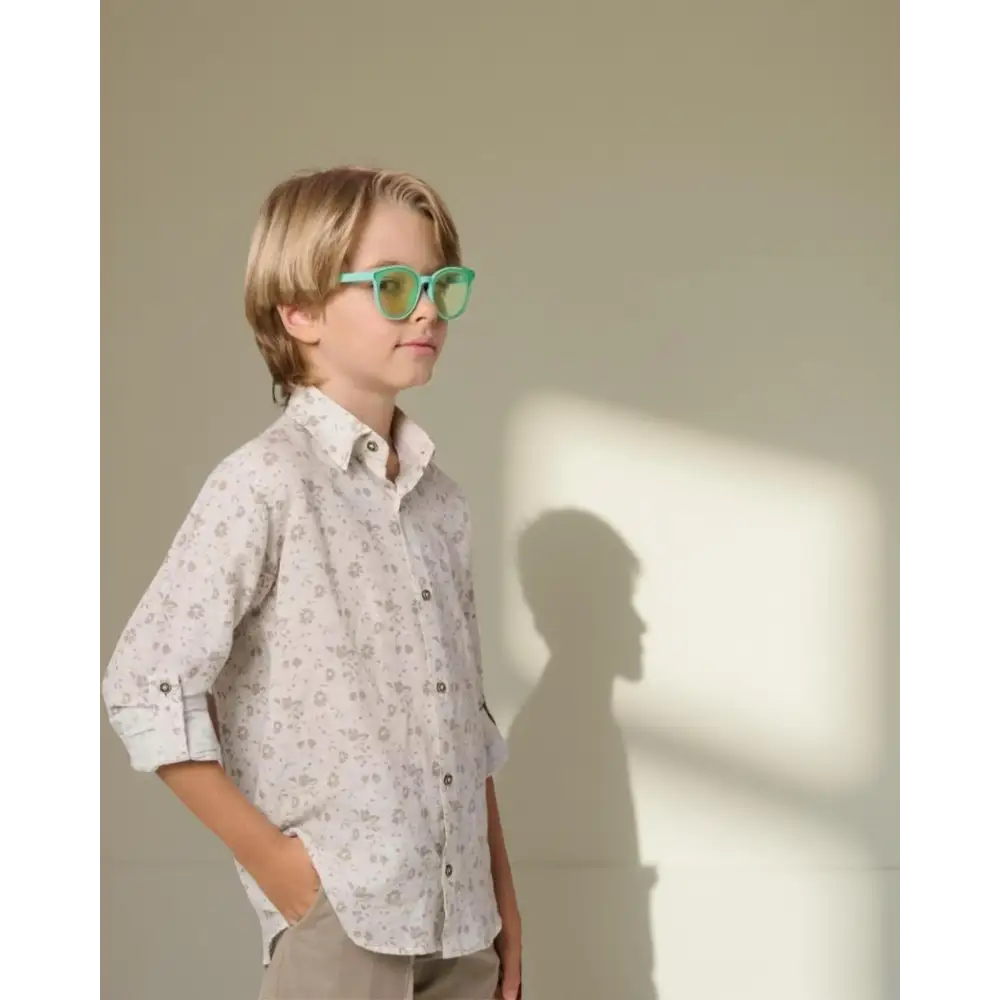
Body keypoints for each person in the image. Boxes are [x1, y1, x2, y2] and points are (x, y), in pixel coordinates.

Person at [101, 165, 522, 1000]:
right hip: (344, 922)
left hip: (463, 925)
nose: (428, 310)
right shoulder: (265, 484)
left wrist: (501, 900)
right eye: (394, 286)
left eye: (440, 285)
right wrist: (283, 873)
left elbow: (463, 725)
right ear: (299, 310)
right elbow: (143, 685)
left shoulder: (442, 505)